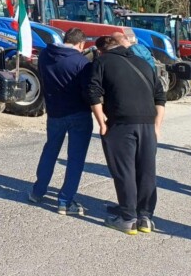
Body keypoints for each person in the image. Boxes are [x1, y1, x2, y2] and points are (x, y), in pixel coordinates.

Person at [89, 32, 166, 235]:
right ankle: (145, 217)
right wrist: (156, 126)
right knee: (146, 170)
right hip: (148, 123)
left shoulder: (102, 62)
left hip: (121, 123)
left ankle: (127, 217)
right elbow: (160, 96)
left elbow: (93, 92)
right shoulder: (144, 63)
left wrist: (101, 123)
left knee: (125, 171)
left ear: (100, 50)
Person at [28, 28, 93, 216]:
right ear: (81, 44)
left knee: (50, 151)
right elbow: (88, 90)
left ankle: (38, 191)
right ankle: (65, 201)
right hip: (78, 113)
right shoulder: (81, 62)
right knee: (75, 158)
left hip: (54, 112)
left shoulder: (45, 55)